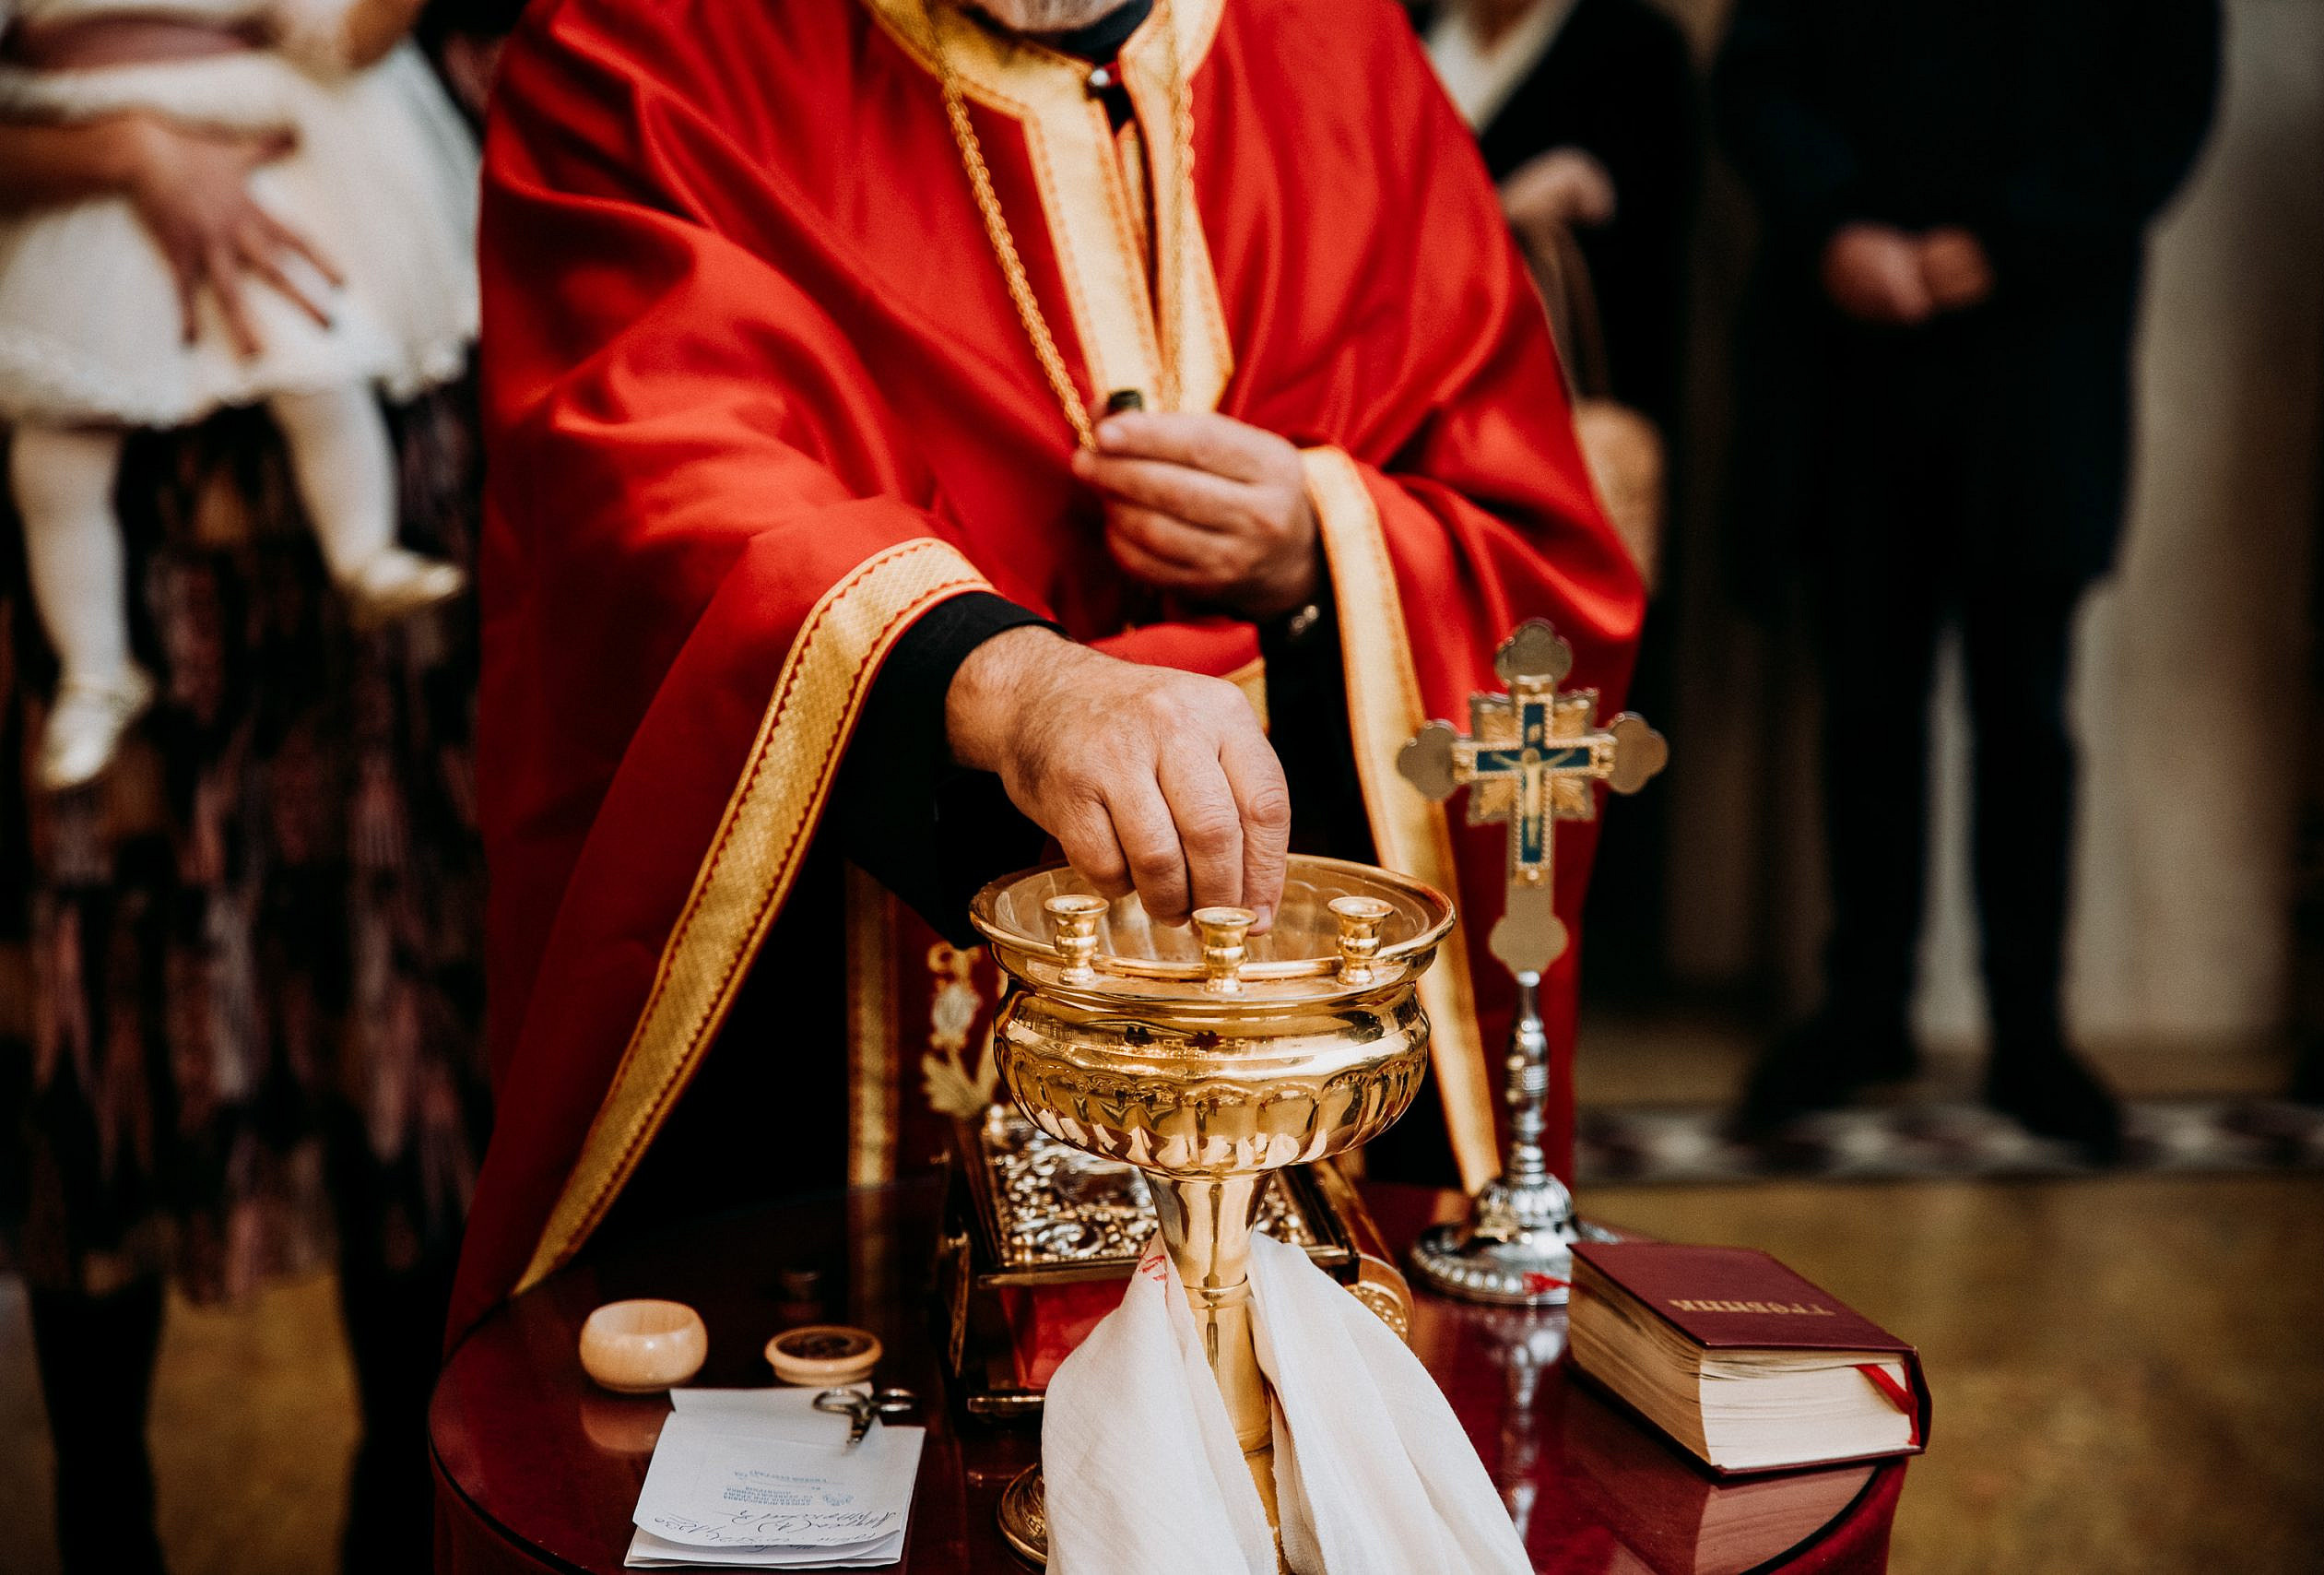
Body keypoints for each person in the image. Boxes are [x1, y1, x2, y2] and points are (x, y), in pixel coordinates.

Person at [444, 0, 1646, 1341]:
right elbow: (652, 471)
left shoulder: (1332, 44)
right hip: (832, 1041)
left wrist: (1323, 536)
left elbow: (1530, 533)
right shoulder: (651, 41)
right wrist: (1015, 687)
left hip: (1272, 1030)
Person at [0, 5, 490, 1570]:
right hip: (97, 469)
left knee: (394, 966)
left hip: (368, 438)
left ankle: (398, 1510)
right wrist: (125, 151)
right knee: (98, 977)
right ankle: (98, 1514)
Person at [1716, 0, 2221, 1156]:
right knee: (1864, 706)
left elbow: (2162, 108)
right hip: (1849, 361)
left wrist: (2004, 239)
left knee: (2025, 717)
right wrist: (1834, 223)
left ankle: (2029, 1029)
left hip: (2038, 364)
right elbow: (1755, 77)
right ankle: (1863, 1005)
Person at [0, 0, 478, 790]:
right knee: (53, 451)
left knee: (317, 357)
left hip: (246, 140)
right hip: (71, 167)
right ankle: (94, 669)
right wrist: (131, 152)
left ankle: (363, 549)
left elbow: (336, 35)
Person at [1420, 0, 1696, 432]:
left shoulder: (1634, 50)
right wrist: (1505, 209)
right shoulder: (1409, 29)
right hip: (1401, 375)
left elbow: (1635, 266)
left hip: (1530, 408)